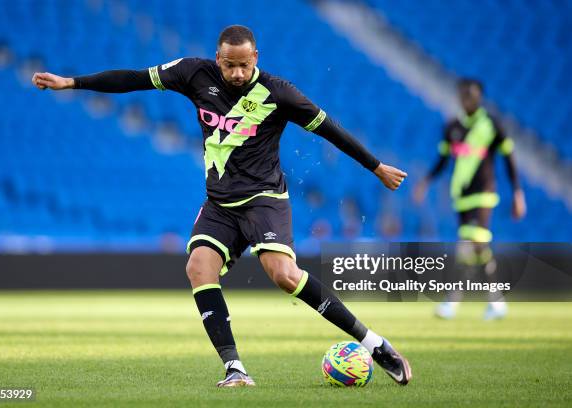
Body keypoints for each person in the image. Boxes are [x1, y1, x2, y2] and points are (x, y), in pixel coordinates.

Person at [33, 25, 411, 387]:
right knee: (198, 267)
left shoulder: (279, 93)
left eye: (244, 65)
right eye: (229, 65)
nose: (236, 72)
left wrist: (375, 166)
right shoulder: (192, 72)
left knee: (283, 274)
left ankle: (375, 344)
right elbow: (134, 79)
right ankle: (235, 368)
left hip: (264, 198)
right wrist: (73, 82)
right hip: (220, 203)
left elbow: (331, 129)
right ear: (218, 58)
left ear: (255, 57)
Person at [413, 78, 526, 320]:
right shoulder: (452, 127)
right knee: (477, 247)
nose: (467, 99)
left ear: (479, 97)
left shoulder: (492, 124)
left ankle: (453, 301)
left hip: (484, 192)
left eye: (471, 95)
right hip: (461, 195)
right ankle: (496, 301)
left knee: (469, 244)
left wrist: (517, 192)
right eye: (463, 94)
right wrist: (426, 182)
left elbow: (509, 158)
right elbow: (442, 161)